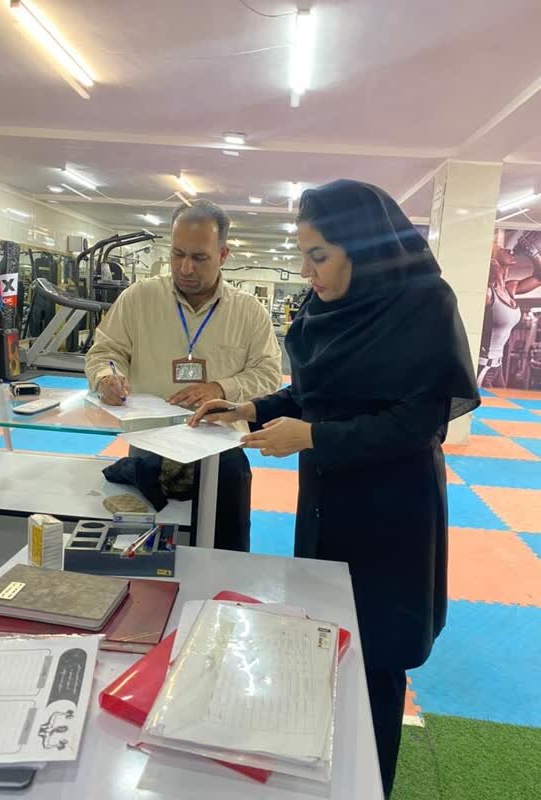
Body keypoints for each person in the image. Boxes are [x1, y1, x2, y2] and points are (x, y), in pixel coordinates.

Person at [191, 180, 480, 798]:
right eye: (304, 255)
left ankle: (371, 785)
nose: (307, 272)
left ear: (363, 247)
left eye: (318, 255)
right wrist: (248, 407)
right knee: (326, 643)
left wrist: (313, 437)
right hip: (326, 501)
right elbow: (311, 392)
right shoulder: (325, 306)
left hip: (392, 511)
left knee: (377, 659)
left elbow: (417, 424)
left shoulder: (424, 304)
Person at [85, 199, 282, 551]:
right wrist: (106, 376)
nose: (185, 268)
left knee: (223, 556)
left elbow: (268, 374)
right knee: (142, 557)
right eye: (178, 254)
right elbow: (105, 351)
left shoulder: (249, 312)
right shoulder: (139, 298)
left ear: (223, 254)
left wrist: (222, 387)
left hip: (220, 459)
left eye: (199, 257)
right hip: (148, 453)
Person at [478, 237, 541, 387]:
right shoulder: (486, 293)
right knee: (483, 403)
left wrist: (534, 254)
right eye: (501, 249)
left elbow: (539, 278)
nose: (508, 250)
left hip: (498, 366)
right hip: (483, 365)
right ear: (492, 260)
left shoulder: (509, 288)